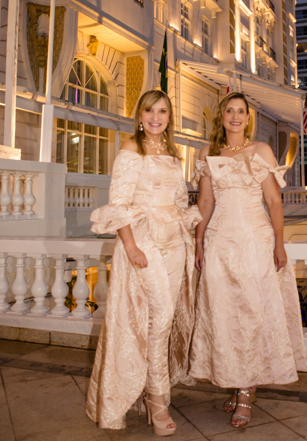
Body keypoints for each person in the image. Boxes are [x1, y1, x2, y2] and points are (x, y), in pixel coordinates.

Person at [86, 90, 201, 436]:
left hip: (174, 240)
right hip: (143, 239)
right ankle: (156, 400)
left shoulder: (173, 152)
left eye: (162, 111)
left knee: (164, 319)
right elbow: (119, 201)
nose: (155, 117)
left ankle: (155, 392)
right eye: (149, 110)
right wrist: (131, 246)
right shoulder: (130, 148)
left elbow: (179, 200)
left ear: (169, 117)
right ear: (139, 115)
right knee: (160, 317)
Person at [189, 92, 307, 428]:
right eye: (230, 111)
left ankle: (244, 391)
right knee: (225, 314)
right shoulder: (207, 153)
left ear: (247, 118)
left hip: (255, 240)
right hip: (219, 243)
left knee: (253, 313)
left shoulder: (261, 151)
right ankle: (239, 381)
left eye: (241, 111)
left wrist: (279, 245)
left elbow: (273, 202)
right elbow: (205, 203)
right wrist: (198, 242)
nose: (236, 117)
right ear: (222, 116)